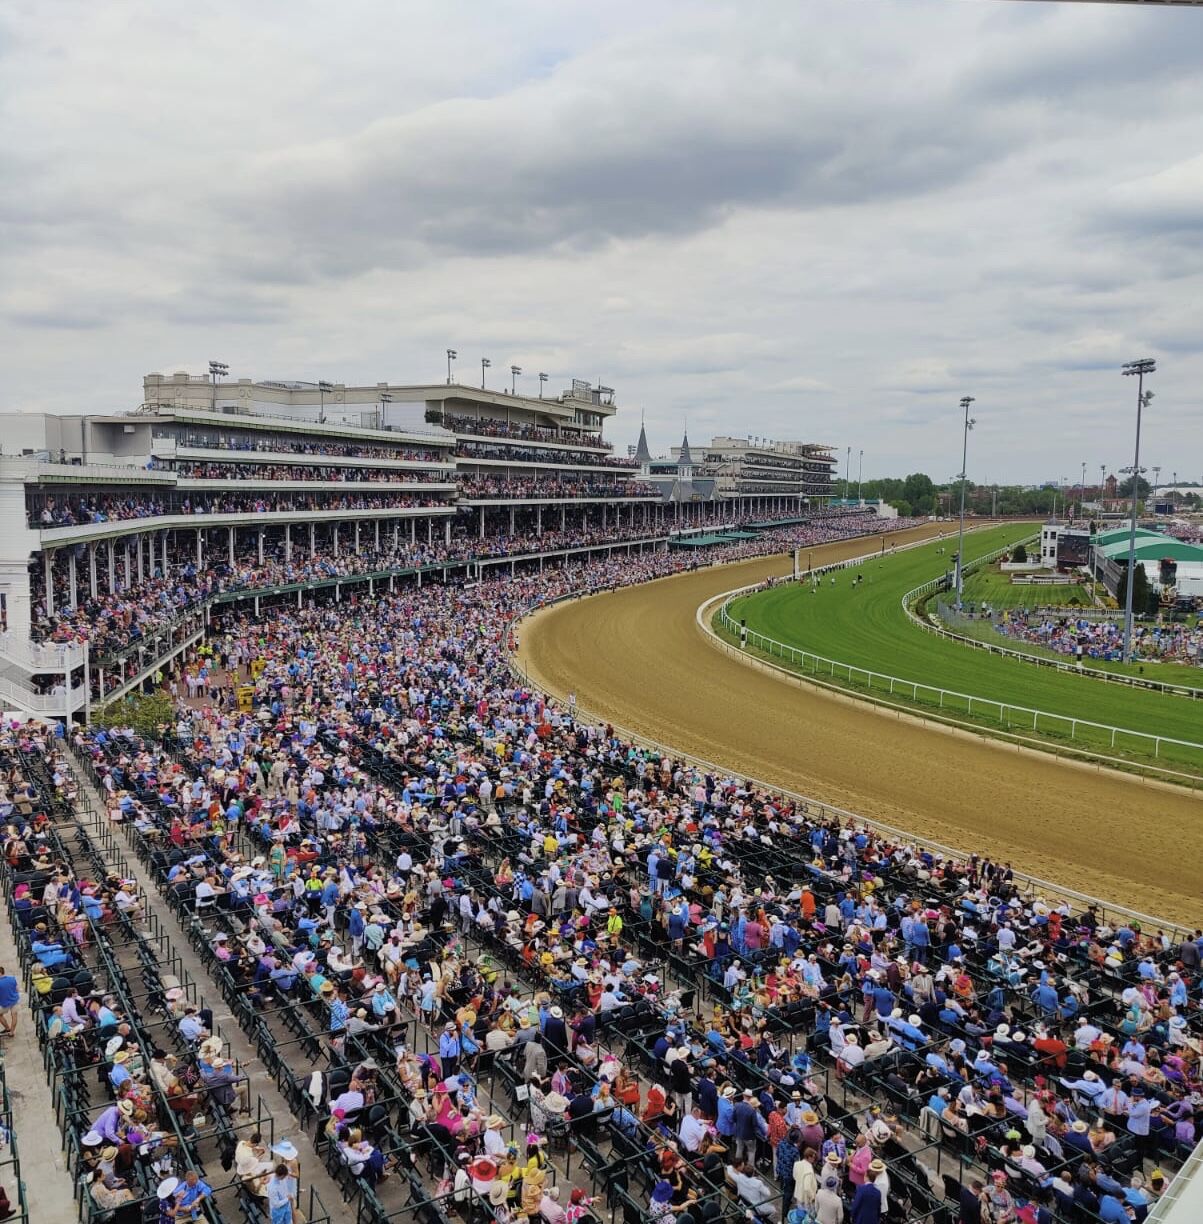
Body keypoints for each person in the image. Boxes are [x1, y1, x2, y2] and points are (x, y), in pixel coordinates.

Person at [0, 967, 19, 1037]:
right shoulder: (12, 978)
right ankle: (12, 1032)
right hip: (14, 1001)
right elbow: (17, 989)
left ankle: (7, 1028)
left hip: (5, 1004)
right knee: (14, 1016)